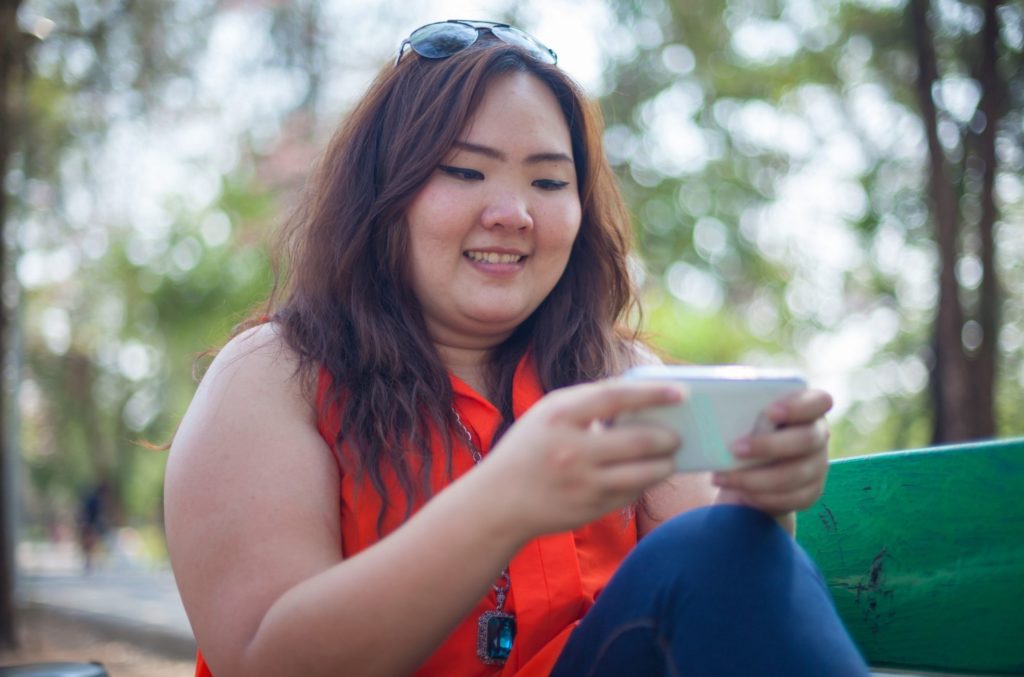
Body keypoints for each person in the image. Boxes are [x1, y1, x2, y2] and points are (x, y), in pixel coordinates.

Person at [164, 19, 869, 677]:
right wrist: (504, 501)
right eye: (465, 171)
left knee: (714, 545)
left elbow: (710, 593)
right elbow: (262, 660)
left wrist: (760, 504)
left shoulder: (622, 379)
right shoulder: (275, 375)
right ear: (383, 193)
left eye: (549, 181)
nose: (513, 213)